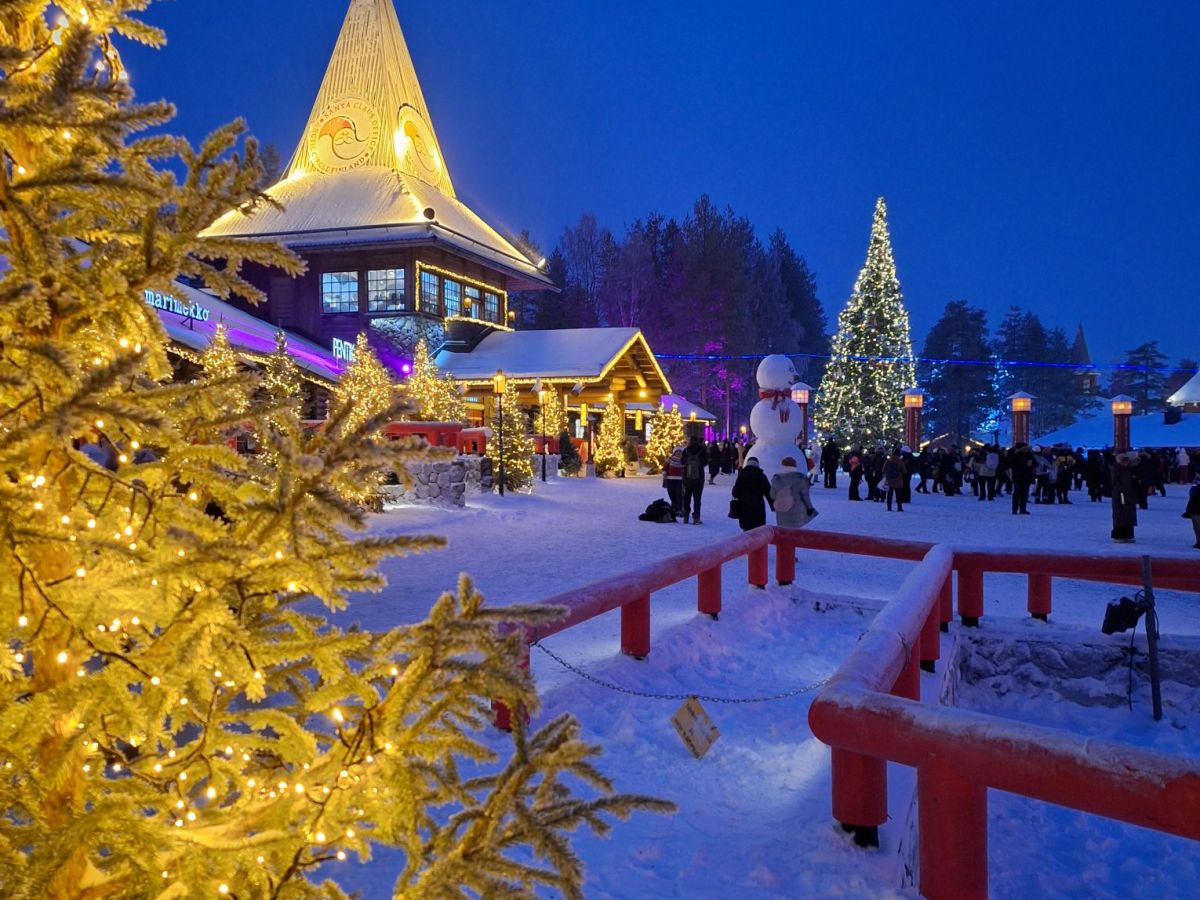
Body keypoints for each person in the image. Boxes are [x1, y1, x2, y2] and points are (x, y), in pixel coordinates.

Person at [771, 456, 817, 529]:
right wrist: (810, 508)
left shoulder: (776, 478)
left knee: (783, 531)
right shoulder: (800, 478)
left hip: (782, 511)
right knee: (794, 532)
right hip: (797, 511)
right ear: (794, 466)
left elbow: (772, 495)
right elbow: (805, 497)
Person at [731, 456, 773, 531]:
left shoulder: (742, 476)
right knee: (758, 531)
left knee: (746, 532)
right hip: (758, 507)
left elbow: (735, 493)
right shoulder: (762, 476)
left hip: (744, 508)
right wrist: (773, 505)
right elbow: (769, 492)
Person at [1110, 451, 1139, 543]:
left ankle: (1128, 535)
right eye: (1124, 460)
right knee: (1121, 515)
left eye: (1127, 460)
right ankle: (1119, 536)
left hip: (1127, 494)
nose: (1126, 462)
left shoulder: (1128, 469)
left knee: (1127, 515)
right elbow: (1118, 481)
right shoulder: (1117, 469)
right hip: (1121, 494)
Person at [680, 435, 707, 524]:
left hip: (687, 478)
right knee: (697, 499)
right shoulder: (702, 450)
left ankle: (686, 517)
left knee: (686, 498)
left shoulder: (686, 450)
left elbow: (682, 462)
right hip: (698, 478)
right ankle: (696, 518)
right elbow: (705, 462)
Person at [1010, 442, 1036, 515]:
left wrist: (1032, 464)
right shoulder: (1015, 455)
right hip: (1018, 476)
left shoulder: (1029, 455)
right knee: (1017, 493)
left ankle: (1023, 509)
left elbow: (1035, 463)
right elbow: (1012, 463)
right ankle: (1015, 509)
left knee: (1024, 494)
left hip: (1026, 476)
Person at [662, 446, 684, 518]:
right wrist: (665, 473)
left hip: (680, 480)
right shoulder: (670, 459)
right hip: (670, 479)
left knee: (679, 494)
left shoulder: (683, 460)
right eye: (677, 452)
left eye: (680, 452)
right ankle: (674, 508)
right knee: (671, 494)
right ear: (674, 453)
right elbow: (665, 467)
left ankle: (679, 509)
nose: (678, 454)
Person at [883, 447, 906, 512]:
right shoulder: (900, 462)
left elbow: (883, 470)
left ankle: (889, 507)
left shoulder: (888, 461)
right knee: (898, 495)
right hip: (898, 480)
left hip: (889, 480)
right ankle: (899, 508)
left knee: (889, 494)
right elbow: (904, 471)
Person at [1184, 477, 1200, 549]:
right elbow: (1191, 493)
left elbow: (1192, 493)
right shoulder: (1196, 482)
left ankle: (1198, 542)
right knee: (1196, 527)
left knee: (1197, 526)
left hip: (1195, 507)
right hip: (1195, 507)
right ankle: (1198, 542)